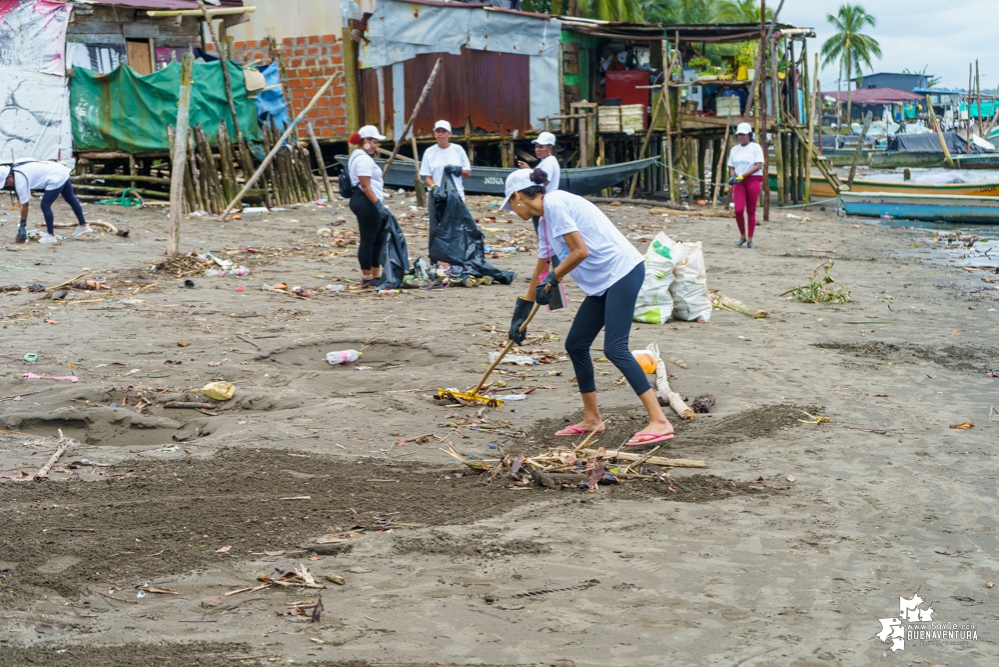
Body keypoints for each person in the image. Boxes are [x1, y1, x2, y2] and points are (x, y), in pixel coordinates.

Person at [502, 168, 674, 446]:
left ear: (518, 196)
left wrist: (553, 278)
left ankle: (660, 421)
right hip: (603, 283)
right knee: (576, 344)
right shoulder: (544, 222)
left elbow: (580, 251)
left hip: (623, 272)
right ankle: (592, 419)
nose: (510, 210)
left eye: (509, 204)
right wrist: (521, 315)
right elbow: (542, 270)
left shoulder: (555, 203)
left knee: (615, 347)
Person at [1, 161, 91, 244]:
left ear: (10, 177)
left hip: (55, 176)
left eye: (5, 183)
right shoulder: (16, 166)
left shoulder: (20, 181)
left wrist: (22, 226)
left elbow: (25, 205)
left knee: (45, 205)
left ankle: (50, 235)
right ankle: (83, 225)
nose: (6, 186)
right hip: (59, 169)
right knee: (70, 199)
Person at [348, 125, 389, 287]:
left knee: (377, 238)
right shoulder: (363, 159)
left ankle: (375, 275)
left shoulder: (359, 157)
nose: (376, 146)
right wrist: (378, 204)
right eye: (374, 142)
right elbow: (365, 186)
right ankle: (367, 277)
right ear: (365, 141)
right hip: (366, 201)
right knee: (368, 240)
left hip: (366, 200)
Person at [727, 122, 765, 249]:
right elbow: (732, 166)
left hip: (753, 179)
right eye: (739, 135)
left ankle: (750, 239)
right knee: (738, 210)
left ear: (749, 135)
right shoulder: (734, 149)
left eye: (743, 135)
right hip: (739, 181)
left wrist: (743, 176)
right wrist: (733, 176)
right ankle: (742, 236)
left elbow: (758, 165)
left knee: (751, 210)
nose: (741, 137)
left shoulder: (755, 147)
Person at [420, 120, 471, 199]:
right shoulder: (429, 152)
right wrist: (434, 187)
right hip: (436, 195)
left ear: (450, 134)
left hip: (456, 195)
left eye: (444, 131)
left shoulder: (458, 150)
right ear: (435, 134)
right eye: (438, 131)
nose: (440, 134)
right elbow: (428, 177)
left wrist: (457, 170)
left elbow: (467, 174)